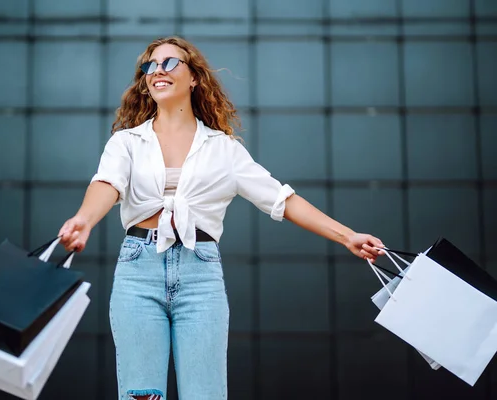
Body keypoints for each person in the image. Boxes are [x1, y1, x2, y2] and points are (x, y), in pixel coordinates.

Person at [58, 36, 385, 400]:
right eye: (150, 65)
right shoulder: (127, 142)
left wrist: (347, 236)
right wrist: (84, 219)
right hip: (138, 272)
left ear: (194, 77)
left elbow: (281, 199)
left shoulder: (224, 149)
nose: (157, 71)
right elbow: (107, 183)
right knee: (142, 395)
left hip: (201, 276)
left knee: (205, 395)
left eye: (170, 63)